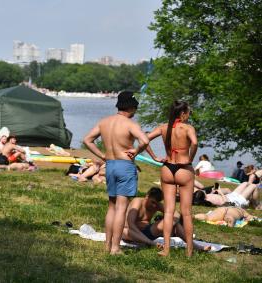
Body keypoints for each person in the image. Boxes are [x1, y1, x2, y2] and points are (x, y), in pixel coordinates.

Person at [83, 91, 149, 255]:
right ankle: (115, 248)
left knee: (112, 207)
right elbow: (145, 141)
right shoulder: (130, 124)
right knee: (121, 208)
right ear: (131, 107)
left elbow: (87, 140)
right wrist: (135, 151)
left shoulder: (104, 122)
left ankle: (107, 245)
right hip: (125, 166)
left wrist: (103, 155)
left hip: (110, 165)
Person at [145, 100, 197, 257]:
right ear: (182, 114)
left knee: (168, 211)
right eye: (188, 112)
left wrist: (154, 156)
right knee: (186, 213)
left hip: (167, 168)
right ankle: (189, 251)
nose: (189, 115)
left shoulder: (163, 127)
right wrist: (190, 159)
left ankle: (166, 249)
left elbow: (145, 139)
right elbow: (194, 143)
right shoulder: (188, 128)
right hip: (183, 169)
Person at [122, 187, 210, 251]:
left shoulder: (157, 205)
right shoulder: (137, 202)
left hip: (147, 232)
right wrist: (148, 241)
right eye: (152, 202)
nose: (154, 206)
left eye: (156, 203)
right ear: (147, 196)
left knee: (174, 223)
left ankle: (194, 246)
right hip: (130, 233)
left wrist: (173, 223)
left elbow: (175, 213)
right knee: (126, 230)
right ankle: (151, 244)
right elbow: (131, 224)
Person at [193, 182, 260, 209]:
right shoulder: (210, 200)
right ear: (203, 195)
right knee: (253, 186)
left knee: (245, 183)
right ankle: (256, 205)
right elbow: (226, 203)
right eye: (203, 191)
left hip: (231, 196)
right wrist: (220, 192)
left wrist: (215, 190)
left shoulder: (207, 196)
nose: (204, 190)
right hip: (235, 201)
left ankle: (252, 202)